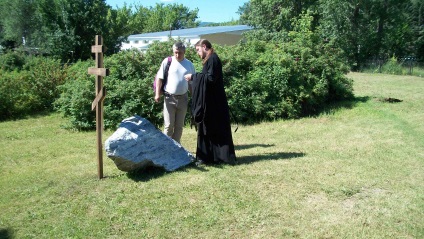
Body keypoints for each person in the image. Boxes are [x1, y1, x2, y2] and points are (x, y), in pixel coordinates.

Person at [184, 39, 236, 165]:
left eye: (198, 50)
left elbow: (210, 79)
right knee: (209, 127)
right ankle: (209, 157)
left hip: (214, 102)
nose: (197, 53)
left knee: (214, 127)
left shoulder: (213, 59)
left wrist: (193, 77)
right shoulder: (210, 59)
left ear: (204, 46)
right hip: (211, 101)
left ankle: (218, 157)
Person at [155, 42, 195, 143]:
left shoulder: (189, 64)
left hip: (183, 98)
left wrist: (194, 97)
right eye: (176, 52)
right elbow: (159, 78)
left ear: (184, 52)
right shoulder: (167, 61)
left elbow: (192, 83)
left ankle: (177, 148)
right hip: (169, 98)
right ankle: (166, 148)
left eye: (180, 53)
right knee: (168, 126)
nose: (177, 55)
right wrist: (157, 94)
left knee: (179, 126)